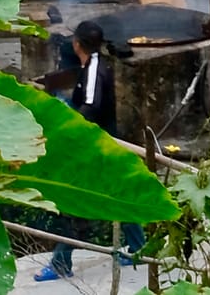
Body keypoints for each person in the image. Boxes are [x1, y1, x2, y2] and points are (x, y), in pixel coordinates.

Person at [34, 21, 146, 279]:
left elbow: (91, 106)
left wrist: (68, 120)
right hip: (103, 143)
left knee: (75, 201)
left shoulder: (95, 68)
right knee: (116, 196)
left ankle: (61, 263)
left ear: (77, 44)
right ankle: (138, 247)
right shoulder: (92, 65)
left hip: (95, 146)